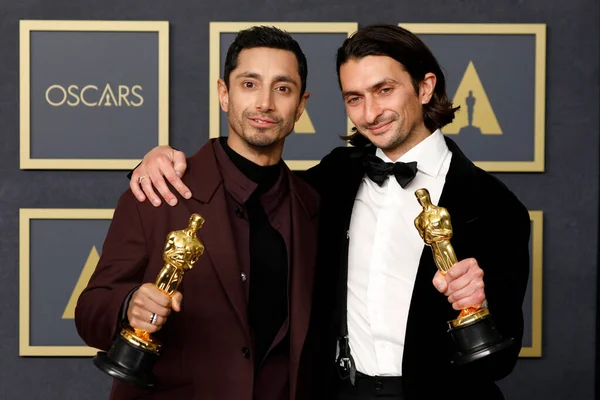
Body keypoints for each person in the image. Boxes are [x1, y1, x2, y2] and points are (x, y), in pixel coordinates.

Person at [129, 25, 531, 400]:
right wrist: (159, 159)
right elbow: (253, 177)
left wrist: (480, 304)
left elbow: (501, 360)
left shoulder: (495, 206)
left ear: (425, 88)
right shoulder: (336, 176)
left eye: (385, 90)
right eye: (354, 98)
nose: (370, 114)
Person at [75, 26, 320, 400]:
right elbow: (90, 311)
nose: (265, 103)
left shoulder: (314, 204)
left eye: (282, 88)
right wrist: (129, 306)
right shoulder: (158, 189)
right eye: (249, 84)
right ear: (224, 94)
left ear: (300, 106)